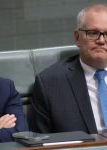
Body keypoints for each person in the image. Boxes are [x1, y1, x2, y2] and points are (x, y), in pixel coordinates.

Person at [32, 3, 107, 134]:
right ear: (77, 37)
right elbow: (42, 142)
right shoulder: (49, 83)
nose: (101, 40)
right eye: (93, 33)